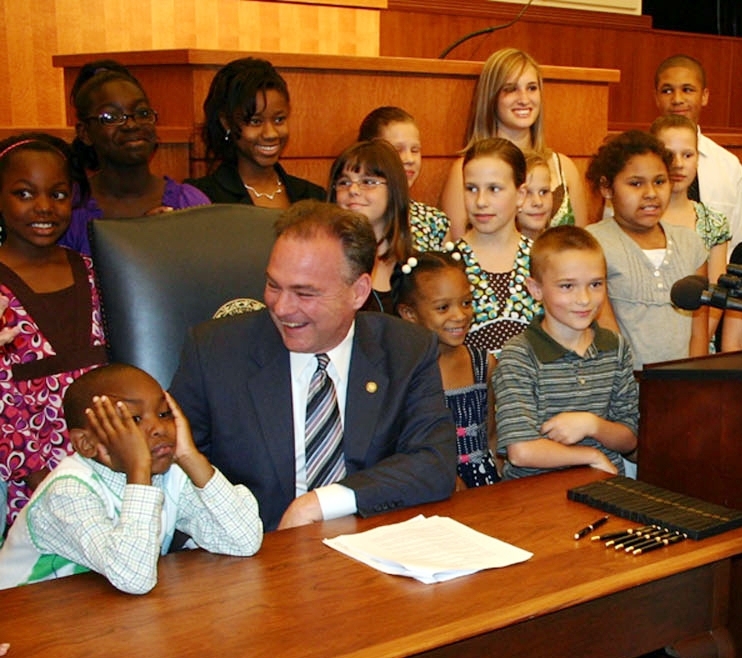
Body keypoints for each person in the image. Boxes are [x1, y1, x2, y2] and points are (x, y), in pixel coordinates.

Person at [169, 199, 457, 532]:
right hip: (253, 554)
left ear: (359, 292)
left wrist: (322, 502)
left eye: (305, 294)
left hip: (368, 548)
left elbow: (434, 463)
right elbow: (175, 471)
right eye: (274, 286)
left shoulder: (406, 349)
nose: (282, 307)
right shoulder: (215, 353)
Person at [0, 363, 262, 592]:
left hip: (102, 614)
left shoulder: (169, 473)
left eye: (164, 414)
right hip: (25, 619)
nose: (158, 428)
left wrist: (190, 457)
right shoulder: (68, 490)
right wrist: (139, 470)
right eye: (134, 419)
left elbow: (243, 540)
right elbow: (133, 577)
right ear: (87, 443)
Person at [0, 134, 107, 530]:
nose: (43, 207)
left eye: (58, 194)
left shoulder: (94, 272)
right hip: (25, 485)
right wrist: (37, 479)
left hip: (103, 472)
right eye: (24, 194)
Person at [494, 226, 639, 480]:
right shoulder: (519, 354)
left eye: (595, 284)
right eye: (567, 286)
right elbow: (521, 451)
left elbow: (629, 439)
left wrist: (591, 425)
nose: (584, 299)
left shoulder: (615, 347)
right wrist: (591, 455)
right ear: (536, 289)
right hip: (534, 494)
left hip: (603, 485)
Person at [585, 130, 708, 370]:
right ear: (607, 188)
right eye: (636, 183)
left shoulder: (690, 243)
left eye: (659, 182)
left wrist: (694, 383)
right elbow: (606, 333)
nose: (651, 193)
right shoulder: (592, 244)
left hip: (680, 388)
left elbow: (699, 331)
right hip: (624, 389)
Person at [60, 60, 210, 256]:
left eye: (142, 113)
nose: (131, 125)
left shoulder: (189, 202)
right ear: (84, 133)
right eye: (111, 117)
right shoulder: (70, 209)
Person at [440, 48, 587, 238]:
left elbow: (583, 245)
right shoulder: (464, 170)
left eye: (532, 88)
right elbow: (458, 251)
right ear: (491, 97)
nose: (524, 99)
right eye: (510, 89)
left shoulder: (565, 168)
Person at [392, 248, 499, 488]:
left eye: (466, 303)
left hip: (484, 486)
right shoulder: (401, 374)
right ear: (409, 313)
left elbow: (491, 434)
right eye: (443, 307)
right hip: (430, 488)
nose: (460, 315)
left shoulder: (483, 363)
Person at [186, 57, 325, 207]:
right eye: (255, 121)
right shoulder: (202, 198)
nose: (271, 134)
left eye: (279, 120)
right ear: (227, 123)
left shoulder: (312, 197)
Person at [649, 114, 730, 343]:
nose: (678, 163)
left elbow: (715, 299)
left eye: (687, 155)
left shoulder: (713, 222)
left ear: (697, 159)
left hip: (696, 342)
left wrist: (697, 345)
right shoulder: (639, 218)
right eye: (668, 154)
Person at [455, 137, 539, 356]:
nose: (481, 201)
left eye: (494, 189)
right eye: (471, 188)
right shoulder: (448, 263)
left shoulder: (543, 259)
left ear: (520, 195)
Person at [654, 54, 742, 258]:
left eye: (687, 90)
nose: (677, 99)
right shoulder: (636, 162)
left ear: (704, 96)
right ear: (656, 97)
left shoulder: (728, 166)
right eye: (667, 91)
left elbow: (736, 239)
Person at [328, 140, 413, 314]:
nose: (353, 190)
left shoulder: (416, 267)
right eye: (344, 182)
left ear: (394, 190)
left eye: (367, 181)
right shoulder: (324, 262)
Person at [358, 106, 450, 251]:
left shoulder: (434, 221)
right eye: (397, 150)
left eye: (415, 150)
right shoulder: (356, 214)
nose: (409, 159)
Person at [516, 151, 554, 240]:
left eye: (544, 192)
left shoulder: (561, 248)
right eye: (527, 193)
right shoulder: (496, 250)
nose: (538, 202)